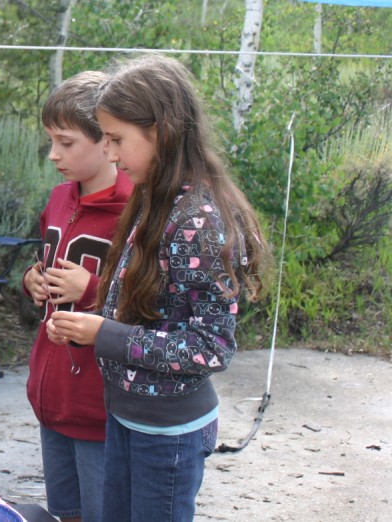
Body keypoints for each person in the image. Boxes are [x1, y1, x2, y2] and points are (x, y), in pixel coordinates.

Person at [49, 55, 269, 522]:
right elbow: (144, 299)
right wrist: (87, 318)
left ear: (162, 131)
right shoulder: (154, 198)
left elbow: (210, 347)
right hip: (129, 416)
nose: (109, 154)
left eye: (116, 140)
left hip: (167, 435)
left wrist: (102, 334)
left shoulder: (198, 220)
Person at [22, 71, 133, 522]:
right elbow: (49, 261)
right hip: (54, 396)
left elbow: (149, 306)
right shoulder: (57, 199)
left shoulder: (135, 209)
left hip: (98, 403)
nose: (53, 154)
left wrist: (89, 289)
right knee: (65, 511)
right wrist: (34, 278)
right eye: (51, 141)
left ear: (105, 142)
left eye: (66, 143)